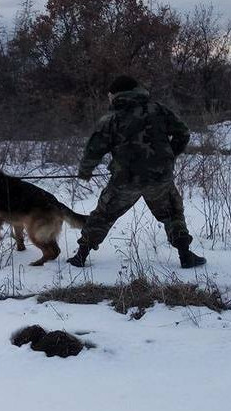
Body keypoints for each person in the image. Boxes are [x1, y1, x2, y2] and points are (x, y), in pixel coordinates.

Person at [67, 75, 206, 269]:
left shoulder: (111, 118)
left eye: (110, 95)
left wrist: (85, 171)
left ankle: (80, 256)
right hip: (159, 178)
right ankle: (185, 255)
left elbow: (94, 149)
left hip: (124, 181)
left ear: (115, 95)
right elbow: (183, 132)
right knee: (173, 213)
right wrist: (168, 156)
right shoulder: (158, 109)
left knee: (103, 215)